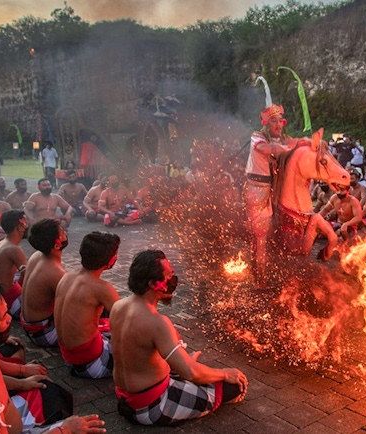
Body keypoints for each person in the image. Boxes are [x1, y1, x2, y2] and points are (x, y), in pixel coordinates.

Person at [0, 282, 106, 433]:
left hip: (8, 419)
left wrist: (23, 382)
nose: (9, 319)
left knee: (48, 390)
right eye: (3, 318)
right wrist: (65, 430)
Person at [110, 250, 248, 426]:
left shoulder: (118, 306)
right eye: (169, 276)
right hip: (152, 406)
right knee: (233, 387)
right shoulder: (157, 322)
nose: (173, 281)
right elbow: (190, 372)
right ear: (153, 283)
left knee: (192, 368)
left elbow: (141, 354)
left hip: (126, 397)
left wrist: (184, 364)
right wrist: (225, 373)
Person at [54, 231, 120, 378]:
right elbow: (127, 322)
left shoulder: (67, 276)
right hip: (92, 363)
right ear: (111, 260)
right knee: (144, 345)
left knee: (106, 325)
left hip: (69, 357)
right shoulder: (102, 288)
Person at [243, 103, 299, 272]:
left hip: (275, 189)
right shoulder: (257, 136)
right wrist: (284, 149)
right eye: (274, 121)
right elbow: (263, 148)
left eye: (281, 121)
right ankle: (259, 273)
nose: (278, 125)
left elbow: (297, 142)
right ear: (266, 123)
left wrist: (312, 144)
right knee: (259, 235)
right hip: (256, 189)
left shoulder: (282, 139)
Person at [21, 219, 68, 347]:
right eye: (62, 233)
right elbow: (70, 308)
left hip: (29, 325)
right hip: (44, 333)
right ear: (57, 245)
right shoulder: (55, 272)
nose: (65, 233)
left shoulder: (36, 255)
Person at [0, 210, 28, 316]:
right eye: (25, 222)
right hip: (7, 301)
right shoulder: (14, 249)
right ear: (19, 226)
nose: (27, 225)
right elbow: (29, 278)